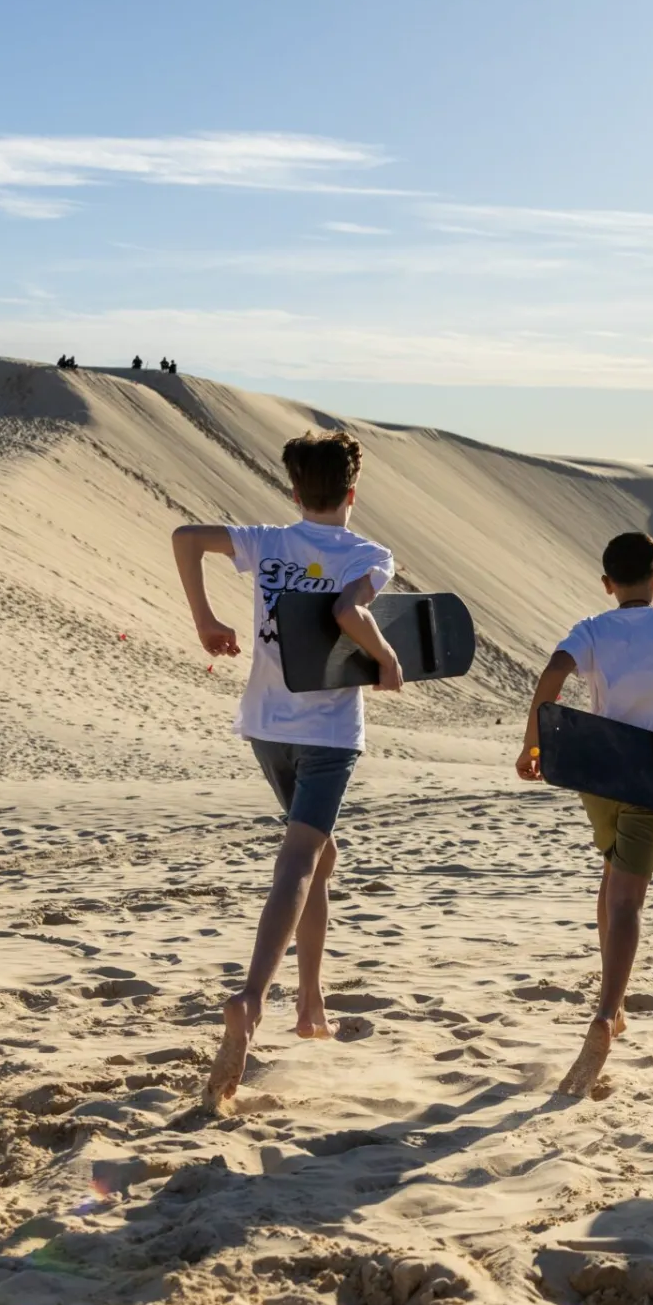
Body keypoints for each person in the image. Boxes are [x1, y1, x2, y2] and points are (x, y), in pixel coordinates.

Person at [170, 428, 404, 1115]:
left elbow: (186, 537)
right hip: (329, 733)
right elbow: (346, 609)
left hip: (266, 727)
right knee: (299, 862)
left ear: (295, 491)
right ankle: (252, 997)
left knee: (320, 857)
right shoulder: (370, 553)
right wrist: (386, 659)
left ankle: (310, 1000)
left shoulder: (268, 542)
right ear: (353, 495)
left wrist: (204, 619)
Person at [515, 532, 653, 1097]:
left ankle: (614, 1007)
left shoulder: (593, 628)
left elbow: (550, 677)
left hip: (597, 777)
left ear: (607, 585)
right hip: (647, 773)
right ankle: (606, 1011)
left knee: (610, 876)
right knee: (628, 899)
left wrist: (534, 744)